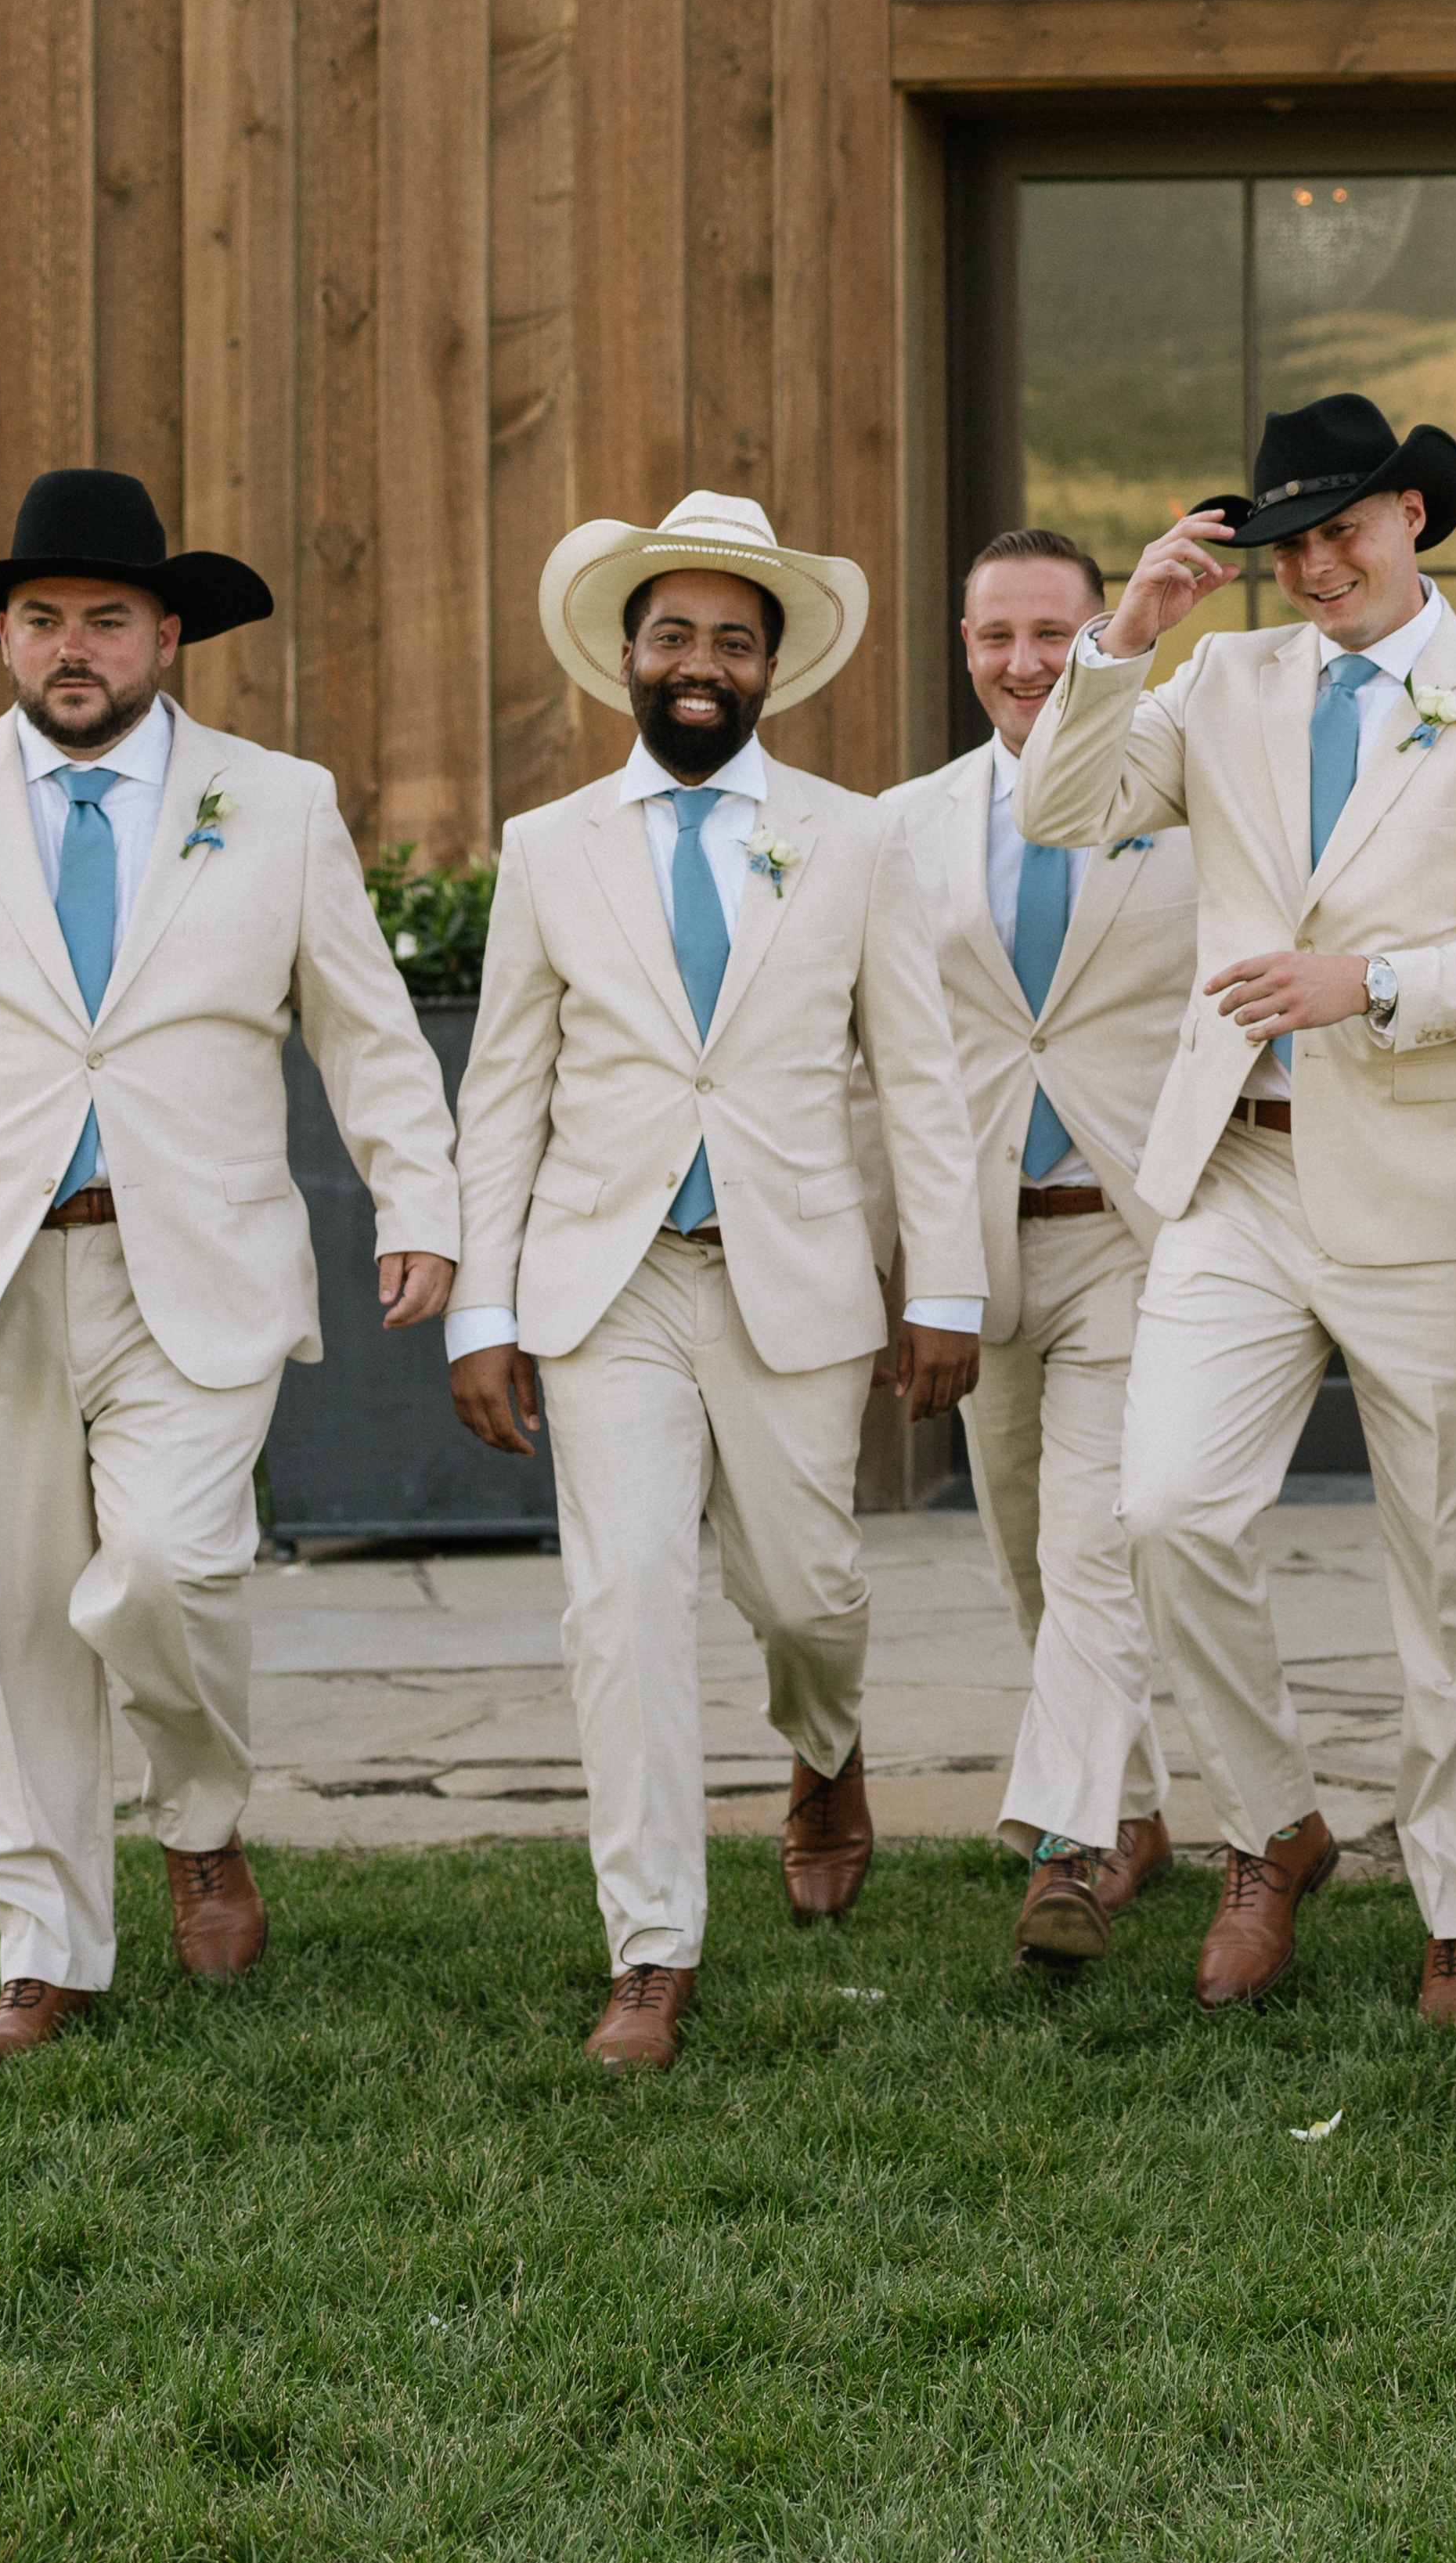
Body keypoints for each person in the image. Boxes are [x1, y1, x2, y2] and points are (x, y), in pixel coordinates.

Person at [0, 469, 459, 2064]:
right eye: (43, 618)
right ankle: (44, 1952)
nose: (74, 646)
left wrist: (420, 1200)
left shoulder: (277, 802)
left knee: (164, 1569)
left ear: (168, 635)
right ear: (2, 634)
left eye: (108, 619)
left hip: (192, 1263)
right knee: (3, 1626)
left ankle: (197, 1812)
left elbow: (366, 1027)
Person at [1013, 395, 1456, 2021]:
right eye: (1287, 545)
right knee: (1165, 1512)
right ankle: (1273, 1827)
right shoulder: (1219, 681)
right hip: (1238, 1172)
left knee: (1451, 1568)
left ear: (1412, 515)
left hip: (1434, 1190)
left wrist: (1374, 982)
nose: (1315, 567)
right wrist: (1128, 633)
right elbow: (1060, 808)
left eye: (1342, 530)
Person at [445, 492, 985, 2069]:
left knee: (806, 1589)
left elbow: (920, 1076)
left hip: (793, 1273)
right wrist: (484, 1307)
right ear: (626, 655)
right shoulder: (548, 847)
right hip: (606, 1282)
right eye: (673, 634)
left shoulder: (855, 837)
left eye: (732, 641)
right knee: (622, 1603)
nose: (700, 662)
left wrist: (944, 1284)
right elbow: (503, 1090)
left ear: (770, 668)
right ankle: (651, 1951)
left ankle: (825, 1741)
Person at [881, 528, 1206, 1968]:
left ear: (1102, 637)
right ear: (963, 646)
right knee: (1023, 1550)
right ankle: (1130, 1808)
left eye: (1054, 634)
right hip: (978, 1251)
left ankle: (1067, 1850)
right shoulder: (903, 826)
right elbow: (881, 1064)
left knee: (1092, 1545)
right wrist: (912, 1272)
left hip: (1133, 1231)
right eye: (995, 635)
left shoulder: (1185, 806)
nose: (1025, 663)